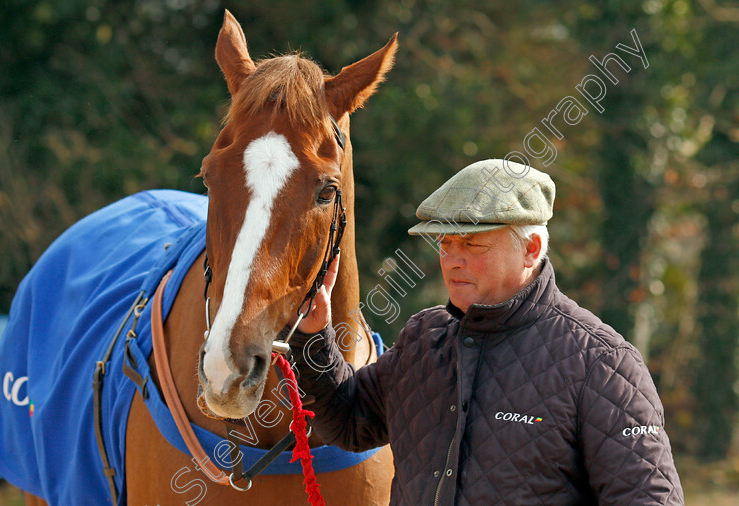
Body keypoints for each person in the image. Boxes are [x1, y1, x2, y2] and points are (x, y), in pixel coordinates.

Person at [287, 159, 684, 505]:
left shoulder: (603, 363)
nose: (453, 261)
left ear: (531, 250)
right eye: (445, 243)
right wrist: (313, 333)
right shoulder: (423, 338)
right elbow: (348, 422)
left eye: (473, 244)